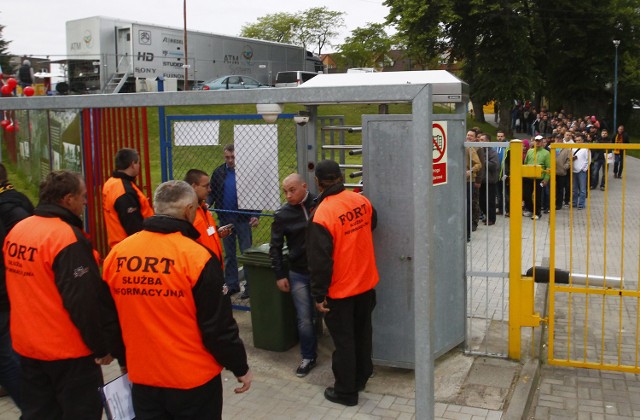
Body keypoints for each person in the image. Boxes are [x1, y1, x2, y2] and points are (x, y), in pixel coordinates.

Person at [103, 180, 252, 419]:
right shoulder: (197, 258)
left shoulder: (117, 255)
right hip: (192, 381)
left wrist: (123, 359)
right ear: (189, 210)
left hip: (143, 377)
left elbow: (110, 319)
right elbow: (218, 326)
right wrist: (239, 367)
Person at [3, 170, 122, 420]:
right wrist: (102, 347)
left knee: (39, 413)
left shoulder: (18, 231)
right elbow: (84, 302)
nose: (86, 202)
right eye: (83, 196)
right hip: (67, 351)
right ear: (68, 199)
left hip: (28, 346)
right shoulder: (65, 238)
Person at [306, 160, 379, 407]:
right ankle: (361, 378)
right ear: (340, 176)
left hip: (341, 291)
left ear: (318, 182)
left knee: (344, 342)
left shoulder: (322, 213)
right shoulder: (360, 200)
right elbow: (373, 224)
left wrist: (318, 295)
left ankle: (346, 392)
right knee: (363, 335)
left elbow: (319, 262)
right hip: (366, 284)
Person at [269, 173, 318, 377]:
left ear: (304, 187)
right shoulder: (283, 214)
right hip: (298, 272)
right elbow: (275, 246)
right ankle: (308, 356)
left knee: (332, 313)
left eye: (292, 190)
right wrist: (280, 274)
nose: (288, 195)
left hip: (322, 271)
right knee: (304, 318)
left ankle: (341, 354)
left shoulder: (320, 203)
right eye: (285, 191)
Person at [0, 163, 35, 409]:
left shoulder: (8, 208)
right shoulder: (17, 199)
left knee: (6, 354)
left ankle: (32, 406)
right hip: (13, 284)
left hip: (8, 288)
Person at [207, 144, 259, 299]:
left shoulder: (248, 173)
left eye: (233, 157)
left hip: (243, 219)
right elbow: (213, 192)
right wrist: (208, 203)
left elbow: (256, 195)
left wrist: (255, 214)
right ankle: (232, 285)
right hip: (225, 218)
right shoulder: (219, 172)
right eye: (227, 157)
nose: (230, 160)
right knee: (229, 255)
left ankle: (250, 286)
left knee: (246, 252)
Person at [102, 148, 154, 248]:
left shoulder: (111, 183)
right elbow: (134, 227)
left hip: (120, 244)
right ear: (132, 164)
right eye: (138, 163)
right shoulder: (124, 191)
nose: (139, 166)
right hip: (132, 247)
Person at [184, 169, 231, 266]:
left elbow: (203, 233)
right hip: (203, 270)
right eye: (206, 186)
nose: (209, 189)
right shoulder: (187, 214)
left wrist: (217, 232)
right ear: (194, 187)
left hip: (212, 267)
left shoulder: (203, 208)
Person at [522, 135, 550, 220]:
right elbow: (525, 163)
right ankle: (530, 210)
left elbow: (549, 167)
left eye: (539, 141)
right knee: (526, 195)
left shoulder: (546, 153)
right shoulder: (530, 151)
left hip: (539, 178)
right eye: (536, 141)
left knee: (538, 196)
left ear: (542, 142)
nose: (537, 142)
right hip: (528, 177)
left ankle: (537, 213)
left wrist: (546, 179)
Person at [478, 133, 499, 225]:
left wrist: (483, 161)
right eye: (480, 140)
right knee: (482, 200)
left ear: (488, 141)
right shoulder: (479, 150)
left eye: (482, 140)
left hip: (490, 180)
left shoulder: (492, 152)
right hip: (481, 180)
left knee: (490, 201)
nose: (480, 141)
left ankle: (491, 219)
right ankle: (487, 215)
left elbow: (494, 165)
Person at [553, 134, 572, 210]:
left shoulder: (567, 149)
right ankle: (552, 202)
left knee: (560, 189)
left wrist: (565, 167)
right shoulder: (552, 147)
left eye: (559, 139)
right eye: (557, 139)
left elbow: (569, 160)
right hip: (552, 172)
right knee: (553, 189)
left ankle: (559, 204)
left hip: (561, 172)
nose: (558, 141)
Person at [572, 134, 590, 209]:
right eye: (576, 140)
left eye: (579, 140)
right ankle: (574, 203)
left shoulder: (586, 148)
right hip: (574, 170)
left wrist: (584, 169)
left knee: (582, 189)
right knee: (574, 189)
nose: (578, 142)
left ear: (582, 140)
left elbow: (589, 160)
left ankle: (581, 204)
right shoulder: (572, 148)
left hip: (582, 171)